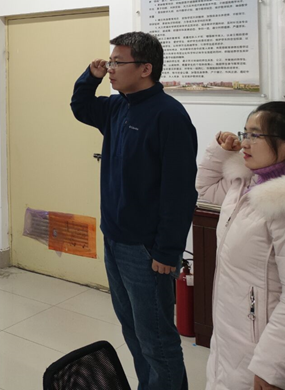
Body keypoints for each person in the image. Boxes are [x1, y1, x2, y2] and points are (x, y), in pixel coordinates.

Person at [71, 32, 198, 390]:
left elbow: (180, 191)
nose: (111, 68)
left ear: (145, 68)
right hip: (114, 238)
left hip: (146, 249)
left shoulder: (169, 115)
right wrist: (90, 76)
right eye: (110, 61)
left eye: (118, 62)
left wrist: (168, 251)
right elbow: (81, 106)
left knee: (156, 340)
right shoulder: (118, 107)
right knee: (133, 332)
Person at [198, 103, 285, 390]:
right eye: (245, 133)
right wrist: (220, 152)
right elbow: (205, 189)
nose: (245, 143)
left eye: (256, 135)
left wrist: (272, 367)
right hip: (231, 334)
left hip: (262, 349)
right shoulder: (247, 184)